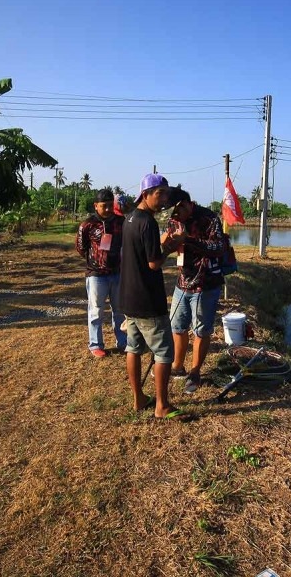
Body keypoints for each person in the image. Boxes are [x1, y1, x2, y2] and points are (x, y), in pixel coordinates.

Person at [118, 173, 186, 418]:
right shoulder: (147, 222)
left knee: (133, 348)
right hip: (147, 299)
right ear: (145, 194)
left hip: (128, 297)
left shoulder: (129, 219)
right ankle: (162, 405)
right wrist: (171, 245)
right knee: (164, 352)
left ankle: (139, 399)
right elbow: (153, 263)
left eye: (166, 193)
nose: (165, 198)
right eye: (160, 193)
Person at [163, 186, 226, 393]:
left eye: (179, 210)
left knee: (201, 329)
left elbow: (218, 248)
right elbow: (170, 245)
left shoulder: (209, 218)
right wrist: (167, 243)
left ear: (188, 204)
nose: (175, 215)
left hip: (206, 284)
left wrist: (188, 239)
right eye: (172, 212)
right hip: (183, 281)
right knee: (177, 326)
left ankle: (195, 371)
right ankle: (177, 366)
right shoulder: (173, 219)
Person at [76, 188, 126, 357]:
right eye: (104, 206)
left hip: (117, 273)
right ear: (95, 206)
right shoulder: (87, 225)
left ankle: (123, 342)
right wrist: (97, 260)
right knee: (96, 310)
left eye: (110, 205)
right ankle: (96, 345)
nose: (107, 209)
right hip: (96, 275)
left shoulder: (121, 222)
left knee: (119, 310)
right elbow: (81, 248)